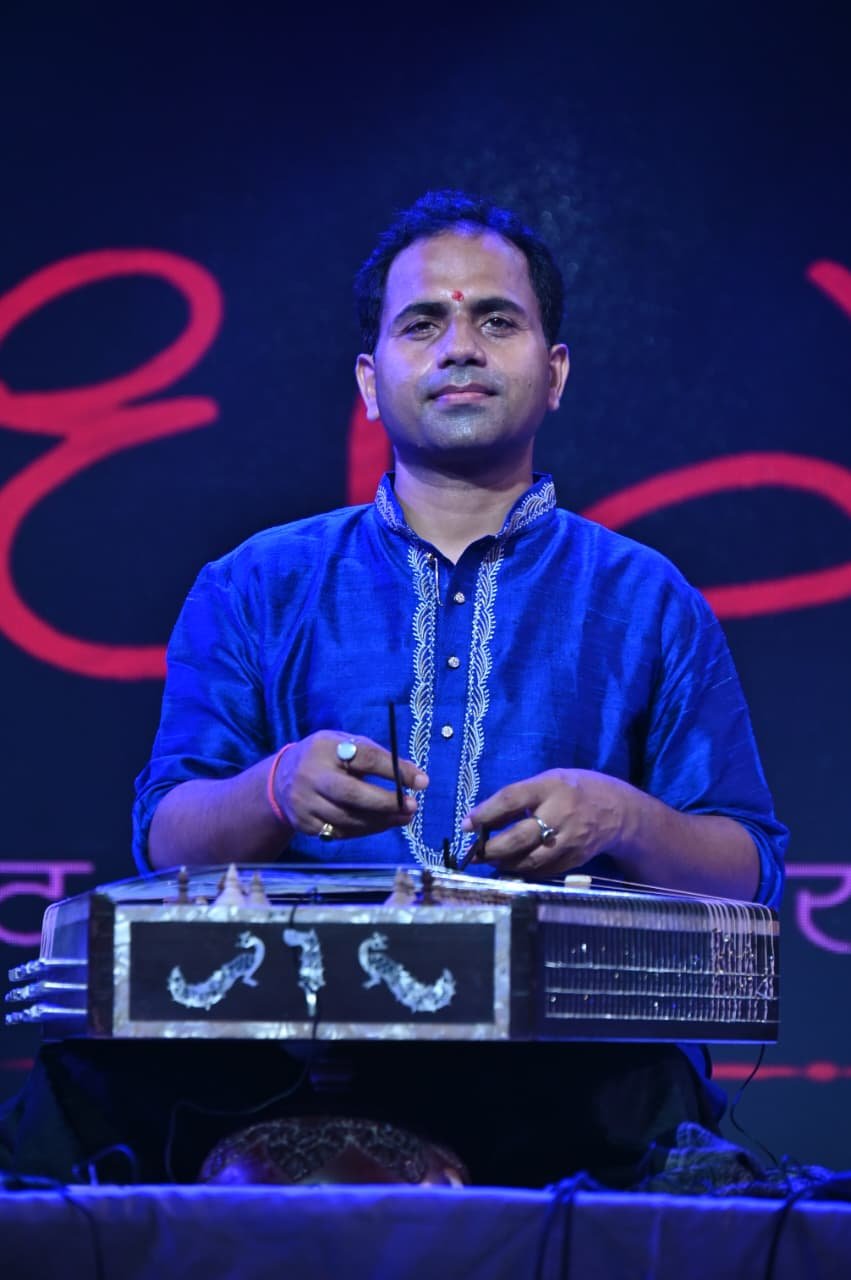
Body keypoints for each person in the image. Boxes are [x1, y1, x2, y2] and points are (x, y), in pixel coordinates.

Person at [3, 191, 787, 1188]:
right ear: (370, 383)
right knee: (77, 1097)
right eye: (422, 324)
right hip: (268, 1060)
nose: (459, 346)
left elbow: (746, 871)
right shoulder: (253, 584)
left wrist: (620, 814)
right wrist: (274, 787)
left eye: (495, 320)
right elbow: (167, 841)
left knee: (666, 1126)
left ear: (553, 374)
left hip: (562, 1074)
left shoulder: (647, 600)